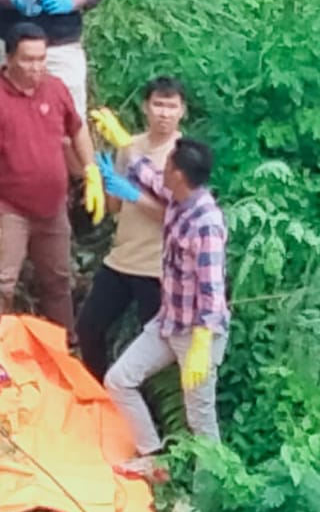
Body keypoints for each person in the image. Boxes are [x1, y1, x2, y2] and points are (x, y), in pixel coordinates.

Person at [97, 139, 229, 472]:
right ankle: (153, 459)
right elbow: (150, 176)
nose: (163, 167)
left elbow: (212, 291)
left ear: (181, 175)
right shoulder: (179, 198)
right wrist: (123, 142)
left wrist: (201, 342)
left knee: (201, 422)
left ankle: (206, 501)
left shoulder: (206, 224)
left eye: (169, 163)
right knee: (119, 380)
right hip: (169, 322)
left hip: (196, 336)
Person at [0, 23, 105, 335]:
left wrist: (91, 170)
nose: (36, 67)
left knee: (58, 280)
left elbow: (77, 128)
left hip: (53, 207)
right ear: (9, 58)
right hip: (11, 208)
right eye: (28, 59)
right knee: (1, 283)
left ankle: (65, 347)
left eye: (41, 59)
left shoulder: (55, 88)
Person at [75, 77, 187, 380]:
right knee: (88, 327)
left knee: (159, 346)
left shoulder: (184, 156)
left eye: (171, 106)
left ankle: (149, 406)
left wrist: (132, 193)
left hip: (158, 269)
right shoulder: (129, 146)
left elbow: (178, 216)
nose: (164, 113)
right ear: (145, 108)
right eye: (158, 105)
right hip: (121, 260)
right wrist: (105, 184)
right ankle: (98, 393)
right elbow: (115, 208)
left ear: (182, 111)